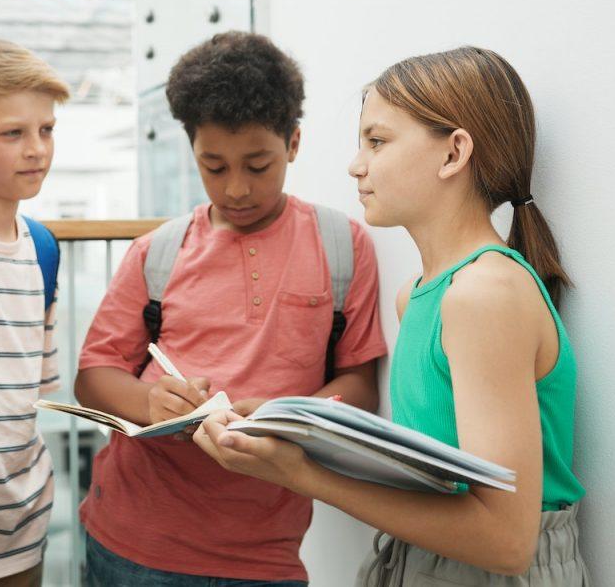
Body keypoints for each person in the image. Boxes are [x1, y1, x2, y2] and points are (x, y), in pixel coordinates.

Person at [196, 46, 589, 586]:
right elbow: (440, 466)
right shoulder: (420, 294)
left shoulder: (484, 294)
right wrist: (295, 426)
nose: (356, 164)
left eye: (377, 141)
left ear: (453, 154)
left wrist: (301, 474)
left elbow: (506, 541)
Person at [74, 31, 388, 585]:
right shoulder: (157, 254)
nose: (237, 188)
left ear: (293, 143)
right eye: (214, 167)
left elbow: (358, 383)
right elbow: (93, 377)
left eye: (258, 164)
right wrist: (150, 401)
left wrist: (290, 416)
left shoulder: (342, 247)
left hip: (266, 551)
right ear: (192, 150)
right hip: (134, 542)